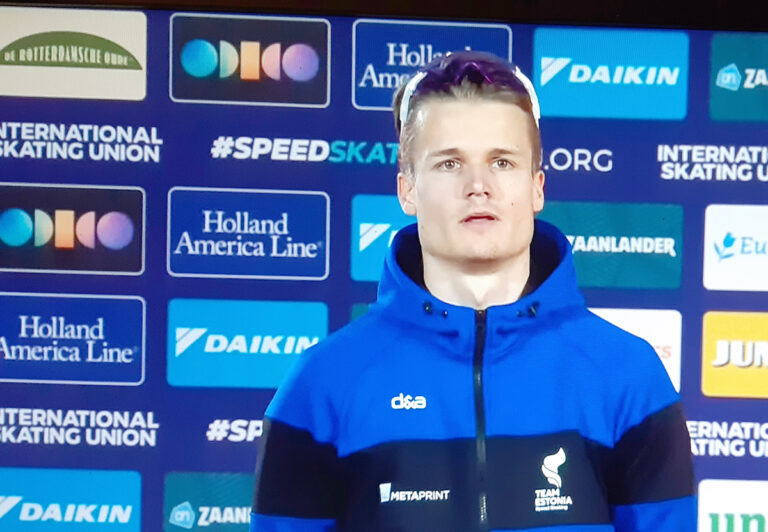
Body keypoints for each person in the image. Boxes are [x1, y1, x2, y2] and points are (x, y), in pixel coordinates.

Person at [250, 51, 695, 531]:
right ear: (407, 189)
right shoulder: (323, 383)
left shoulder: (627, 375)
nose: (478, 186)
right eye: (449, 163)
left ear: (536, 187)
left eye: (502, 162)